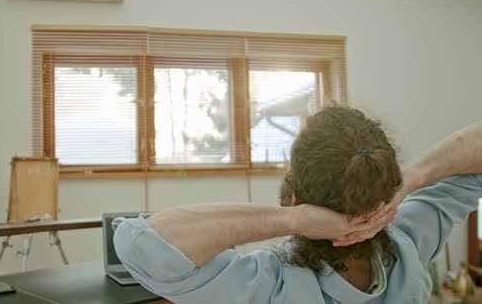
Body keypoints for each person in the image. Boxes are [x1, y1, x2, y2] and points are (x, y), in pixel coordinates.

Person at [113, 105, 482, 303]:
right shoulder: (410, 245)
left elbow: (142, 244)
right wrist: (412, 180)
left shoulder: (270, 286)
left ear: (295, 197)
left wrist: (294, 219)